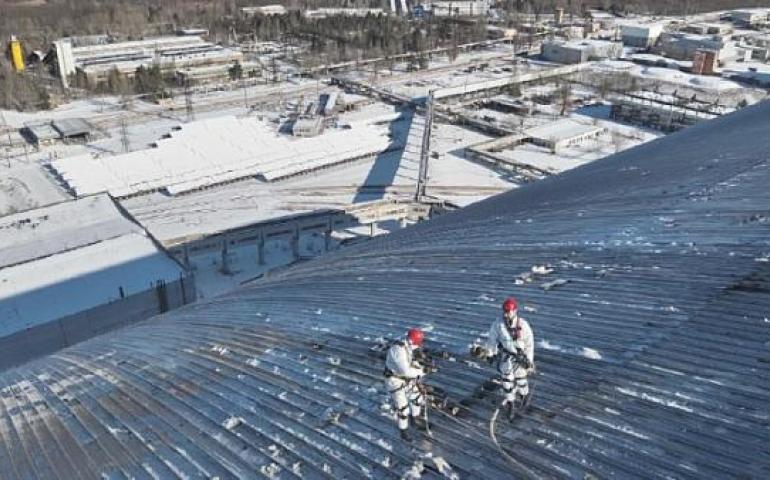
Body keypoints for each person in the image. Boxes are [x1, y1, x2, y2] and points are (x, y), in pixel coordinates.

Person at [474, 297, 535, 420]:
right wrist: (490, 354)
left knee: (521, 380)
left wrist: (529, 360)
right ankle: (511, 404)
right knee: (507, 382)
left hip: (520, 358)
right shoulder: (498, 324)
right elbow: (492, 340)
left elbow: (529, 343)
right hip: (506, 357)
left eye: (509, 311)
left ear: (515, 311)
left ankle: (524, 397)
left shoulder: (523, 324)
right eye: (505, 311)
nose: (507, 314)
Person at [384, 328, 431, 441]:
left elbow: (410, 362)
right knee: (403, 408)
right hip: (395, 380)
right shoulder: (397, 350)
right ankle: (403, 431)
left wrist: (421, 366)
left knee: (417, 398)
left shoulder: (407, 347)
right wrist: (422, 372)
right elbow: (404, 371)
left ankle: (415, 419)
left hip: (406, 379)